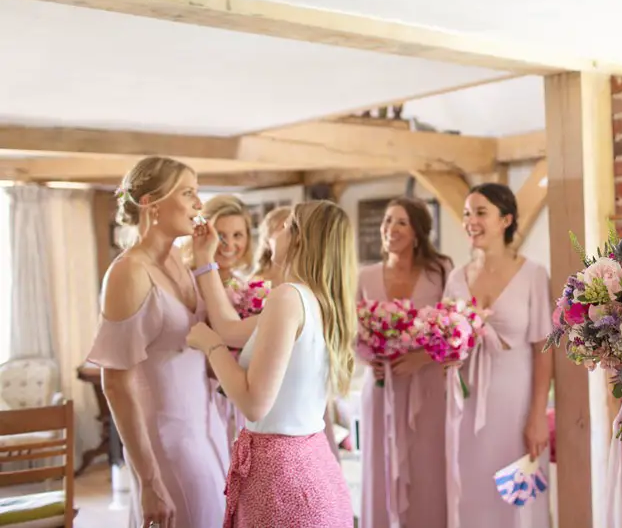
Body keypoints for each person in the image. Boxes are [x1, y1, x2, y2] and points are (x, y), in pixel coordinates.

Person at [186, 200, 355, 528]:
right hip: (315, 468)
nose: (274, 234)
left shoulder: (288, 297)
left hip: (282, 480)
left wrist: (212, 347)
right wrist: (204, 262)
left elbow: (254, 404)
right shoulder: (321, 301)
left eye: (286, 226)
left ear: (300, 239)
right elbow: (231, 328)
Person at [87, 156, 229, 528]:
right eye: (188, 192)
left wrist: (204, 260)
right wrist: (148, 481)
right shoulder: (128, 273)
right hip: (168, 442)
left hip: (208, 429)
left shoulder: (180, 262)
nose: (199, 203)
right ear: (151, 203)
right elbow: (115, 383)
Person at [443, 183, 553, 528]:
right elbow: (444, 341)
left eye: (480, 212)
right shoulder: (455, 278)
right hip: (466, 405)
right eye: (466, 214)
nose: (470, 221)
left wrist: (538, 416)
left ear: (506, 220)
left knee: (519, 499)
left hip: (516, 404)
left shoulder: (533, 274)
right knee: (471, 496)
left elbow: (543, 351)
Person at [358, 197, 452, 528]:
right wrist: (367, 357)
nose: (390, 229)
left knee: (429, 468)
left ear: (417, 232)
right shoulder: (365, 276)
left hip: (426, 388)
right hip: (381, 387)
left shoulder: (440, 271)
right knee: (379, 466)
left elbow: (455, 329)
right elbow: (349, 332)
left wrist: (422, 357)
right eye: (387, 221)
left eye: (400, 222)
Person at [181, 194, 255, 446]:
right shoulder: (185, 280)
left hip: (235, 394)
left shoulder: (246, 288)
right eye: (221, 235)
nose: (229, 245)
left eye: (238, 235)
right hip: (194, 391)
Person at [250, 205, 292, 285]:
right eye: (283, 227)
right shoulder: (256, 282)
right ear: (267, 241)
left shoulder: (304, 279)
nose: (290, 233)